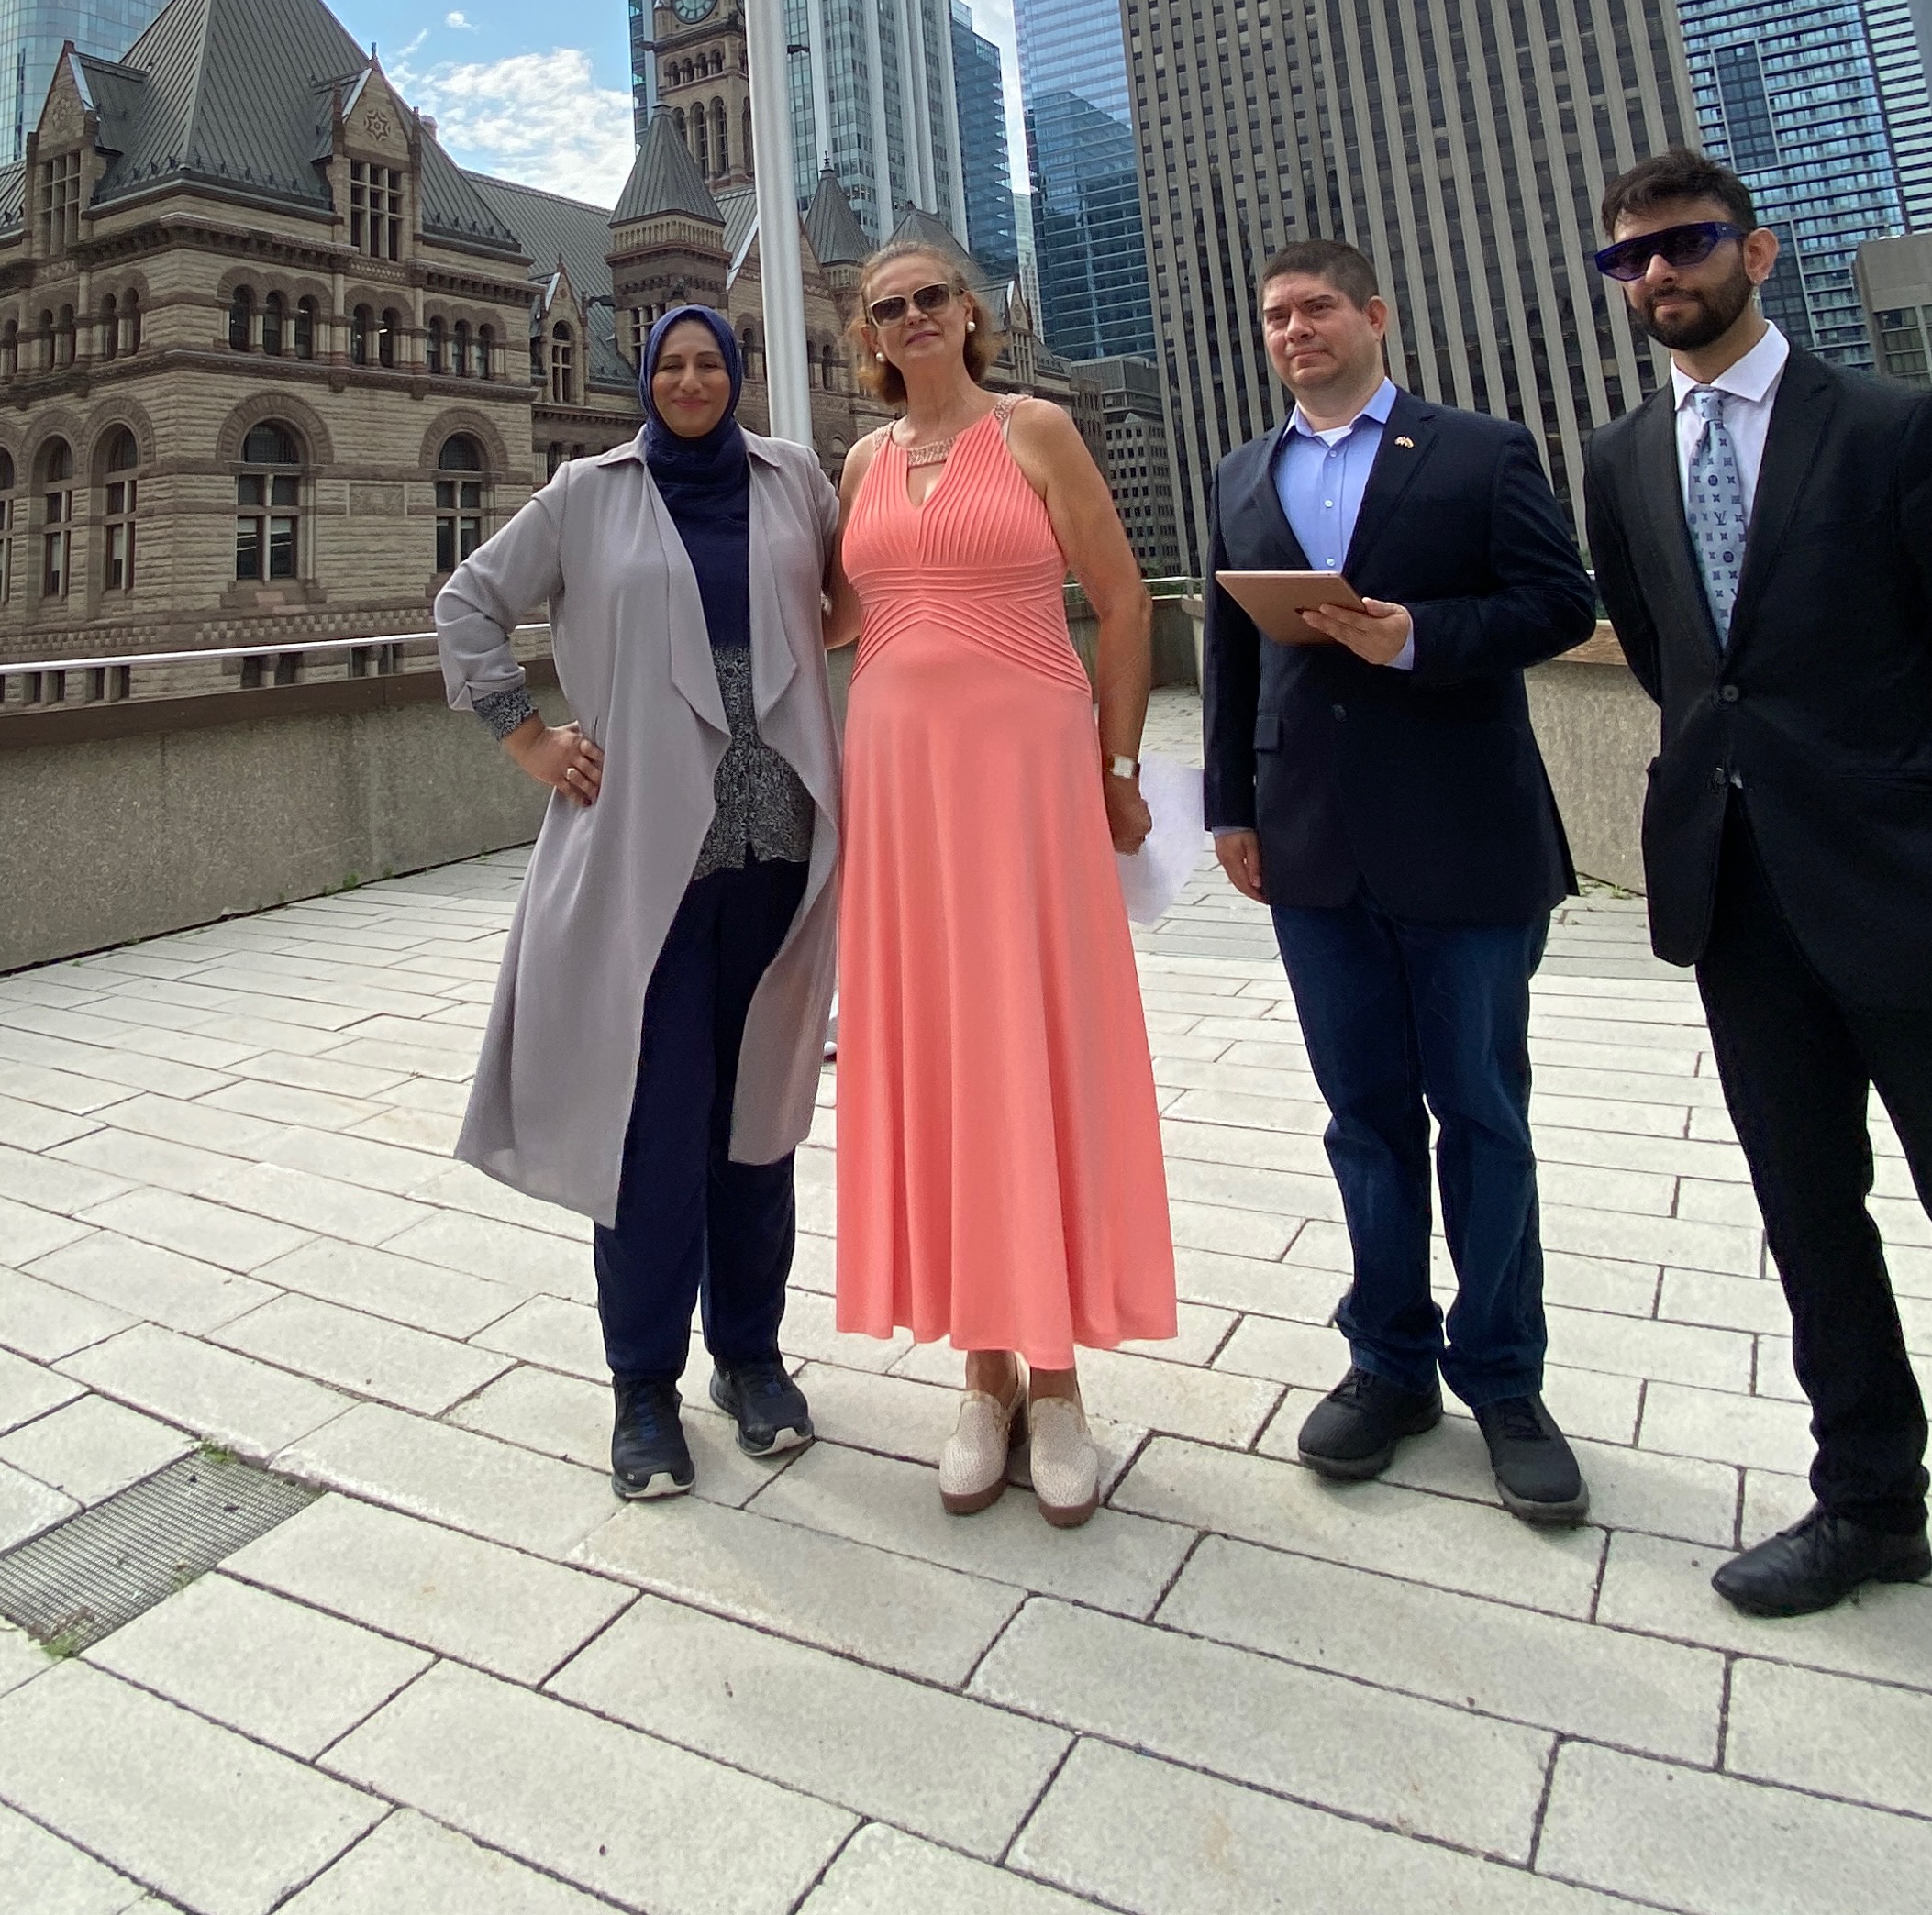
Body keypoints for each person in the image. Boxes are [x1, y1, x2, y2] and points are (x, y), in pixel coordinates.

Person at [1580, 146, 1932, 1773]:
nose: (1661, 279)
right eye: (1632, 264)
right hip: (1744, 903)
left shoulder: (1895, 430)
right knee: (1810, 1218)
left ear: (1756, 249)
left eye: (1684, 248)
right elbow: (1679, 663)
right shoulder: (1623, 458)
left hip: (1909, 893)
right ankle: (1867, 1506)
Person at [1204, 239, 1598, 1515]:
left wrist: (1418, 635)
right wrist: (1230, 809)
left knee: (1482, 1115)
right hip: (1312, 844)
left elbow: (1561, 604)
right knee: (1365, 1119)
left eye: (1318, 308)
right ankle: (1388, 1362)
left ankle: (1504, 1377)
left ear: (1374, 316)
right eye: (1276, 316)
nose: (1296, 330)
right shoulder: (1242, 472)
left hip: (1465, 833)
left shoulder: (1479, 451)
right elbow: (1228, 655)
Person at [436, 305, 841, 1505]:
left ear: (737, 374)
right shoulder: (586, 492)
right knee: (653, 1133)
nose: (692, 379)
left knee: (757, 1127)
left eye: (712, 361)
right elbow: (468, 602)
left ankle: (753, 1360)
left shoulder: (795, 478)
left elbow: (859, 592)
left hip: (776, 846)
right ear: (646, 380)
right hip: (647, 860)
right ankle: (643, 1389)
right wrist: (527, 738)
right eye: (670, 363)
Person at [833, 241, 1175, 1528]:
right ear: (865, 333)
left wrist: (1120, 763)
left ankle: (1059, 1381)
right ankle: (980, 1376)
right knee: (941, 1060)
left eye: (931, 298)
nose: (913, 317)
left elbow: (1127, 599)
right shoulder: (861, 462)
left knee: (1034, 1051)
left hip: (1028, 779)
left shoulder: (1033, 429)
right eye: (887, 307)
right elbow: (826, 612)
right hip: (901, 790)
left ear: (969, 314)